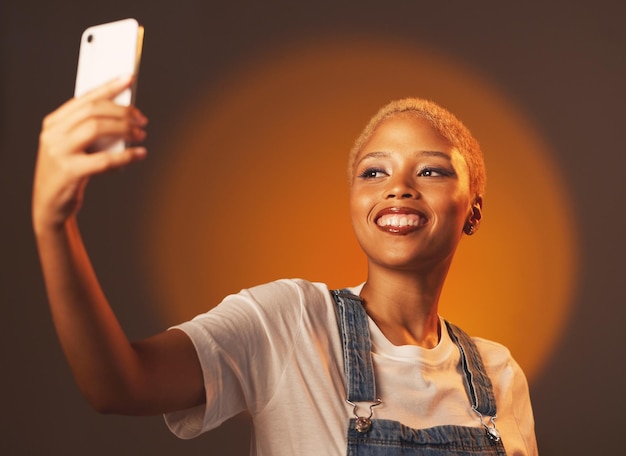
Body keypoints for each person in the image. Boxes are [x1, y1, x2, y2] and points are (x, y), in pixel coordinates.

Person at [33, 75, 538, 455]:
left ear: (473, 207)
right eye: (373, 171)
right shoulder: (288, 321)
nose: (397, 186)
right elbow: (119, 383)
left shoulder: (498, 375)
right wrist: (54, 227)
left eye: (430, 170)